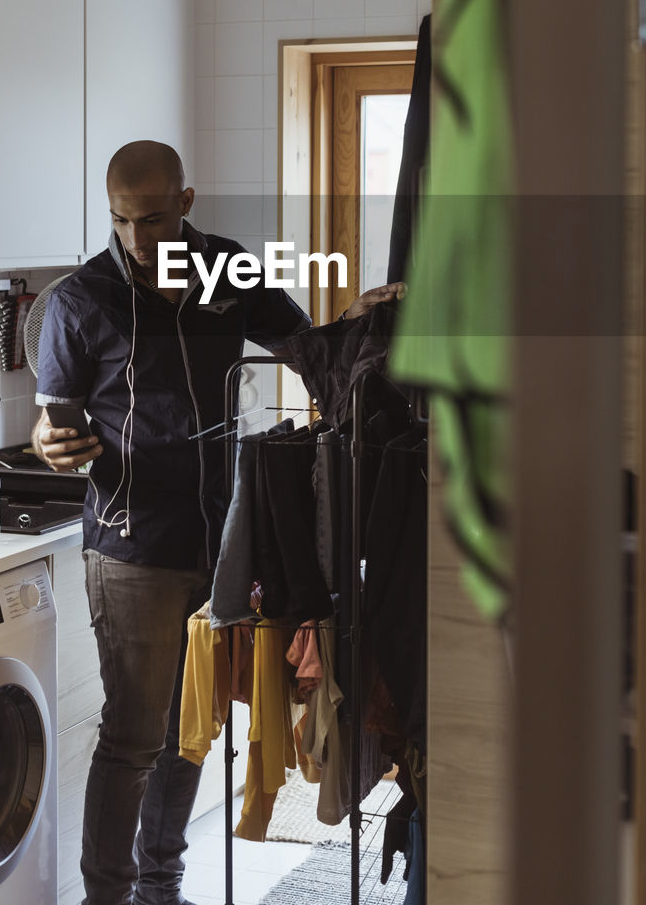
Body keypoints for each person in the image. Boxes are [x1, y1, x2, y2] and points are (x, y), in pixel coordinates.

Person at [32, 139, 400, 905]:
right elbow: (51, 423)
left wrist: (356, 317)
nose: (138, 238)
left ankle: (159, 888)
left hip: (222, 538)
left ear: (187, 202)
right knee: (134, 738)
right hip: (133, 546)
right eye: (122, 220)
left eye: (155, 217)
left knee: (188, 728)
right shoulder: (80, 300)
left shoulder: (222, 270)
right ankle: (110, 897)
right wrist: (48, 442)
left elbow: (306, 348)